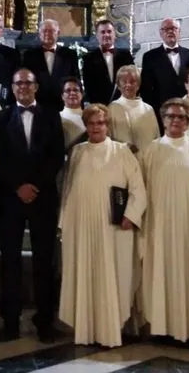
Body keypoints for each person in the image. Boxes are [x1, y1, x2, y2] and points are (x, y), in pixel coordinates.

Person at [58, 104, 145, 347]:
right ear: (86, 126)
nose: (96, 127)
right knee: (84, 272)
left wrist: (131, 215)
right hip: (82, 225)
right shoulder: (77, 152)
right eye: (91, 123)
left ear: (107, 125)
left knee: (113, 273)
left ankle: (110, 330)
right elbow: (68, 189)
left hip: (113, 226)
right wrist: (64, 222)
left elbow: (138, 188)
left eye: (100, 123)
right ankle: (85, 330)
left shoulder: (121, 151)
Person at [0, 68, 65, 343]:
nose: (23, 87)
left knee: (44, 260)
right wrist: (17, 185)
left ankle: (44, 320)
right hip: (10, 197)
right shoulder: (2, 117)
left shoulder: (52, 116)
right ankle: (10, 319)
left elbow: (57, 155)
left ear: (36, 87)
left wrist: (35, 185)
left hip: (42, 197)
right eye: (18, 83)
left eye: (28, 83)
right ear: (12, 87)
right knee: (10, 260)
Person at [137, 98, 189, 344]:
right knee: (160, 272)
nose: (176, 120)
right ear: (163, 120)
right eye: (171, 116)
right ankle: (162, 328)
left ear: (188, 122)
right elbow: (139, 187)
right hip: (159, 223)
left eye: (181, 117)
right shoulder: (151, 150)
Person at [138, 18, 189, 121]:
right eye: (166, 29)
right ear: (160, 33)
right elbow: (145, 88)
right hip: (161, 111)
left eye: (173, 28)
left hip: (187, 109)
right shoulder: (149, 57)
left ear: (179, 32)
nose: (170, 31)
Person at [21, 19, 79, 112]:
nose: (47, 34)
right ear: (39, 34)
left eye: (51, 31)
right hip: (37, 106)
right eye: (44, 31)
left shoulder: (69, 54)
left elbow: (75, 80)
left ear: (58, 33)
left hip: (63, 106)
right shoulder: (29, 55)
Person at [107, 65, 160, 153]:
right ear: (118, 85)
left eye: (132, 81)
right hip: (123, 156)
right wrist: (125, 146)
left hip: (147, 156)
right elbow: (108, 138)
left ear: (138, 85)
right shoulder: (112, 108)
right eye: (124, 81)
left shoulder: (148, 109)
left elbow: (156, 137)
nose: (128, 85)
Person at [82, 19, 134, 106]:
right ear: (97, 36)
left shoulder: (126, 56)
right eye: (103, 32)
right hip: (100, 107)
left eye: (109, 31)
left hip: (123, 104)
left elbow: (133, 80)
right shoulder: (89, 58)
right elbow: (88, 87)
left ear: (114, 34)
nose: (106, 35)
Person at [60, 77, 87, 149]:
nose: (72, 93)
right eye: (68, 90)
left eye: (76, 90)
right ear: (62, 96)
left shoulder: (89, 116)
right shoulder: (57, 118)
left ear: (82, 94)